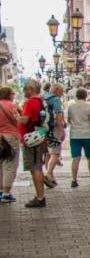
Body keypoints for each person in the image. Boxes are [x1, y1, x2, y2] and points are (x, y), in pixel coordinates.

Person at [17, 79, 48, 208]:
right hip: (37, 136)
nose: (24, 91)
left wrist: (16, 116)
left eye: (25, 89)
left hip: (32, 138)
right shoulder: (40, 101)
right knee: (36, 167)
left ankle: (40, 197)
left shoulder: (30, 102)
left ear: (31, 89)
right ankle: (39, 196)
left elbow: (24, 120)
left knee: (35, 168)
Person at [66, 88, 90, 187]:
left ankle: (74, 180)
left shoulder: (71, 107)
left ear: (76, 96)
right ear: (86, 96)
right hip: (87, 135)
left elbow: (69, 120)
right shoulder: (89, 107)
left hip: (74, 135)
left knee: (76, 158)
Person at [0, 86, 21, 203]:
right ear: (9, 94)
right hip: (10, 137)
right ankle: (6, 194)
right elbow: (21, 120)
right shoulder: (13, 106)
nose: (13, 95)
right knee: (10, 165)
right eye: (12, 93)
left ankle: (0, 191)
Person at [43, 83, 66, 188]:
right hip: (54, 128)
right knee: (55, 153)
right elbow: (58, 115)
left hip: (44, 129)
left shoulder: (43, 97)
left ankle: (51, 177)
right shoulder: (56, 99)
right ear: (57, 90)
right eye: (61, 91)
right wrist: (61, 130)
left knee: (48, 153)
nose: (62, 93)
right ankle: (48, 174)